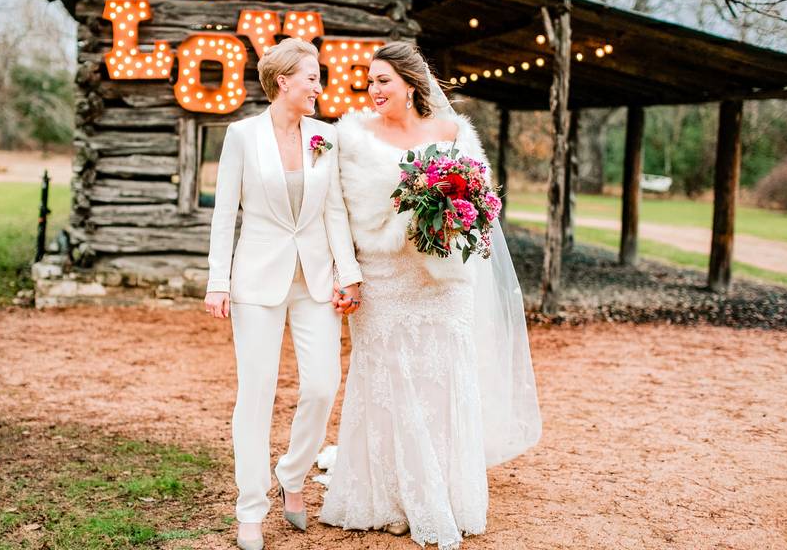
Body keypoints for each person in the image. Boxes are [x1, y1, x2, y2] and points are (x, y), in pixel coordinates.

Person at [319, 42, 542, 550]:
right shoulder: (350, 139)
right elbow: (344, 214)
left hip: (443, 282)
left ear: (412, 85)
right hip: (385, 279)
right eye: (369, 81)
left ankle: (444, 490)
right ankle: (387, 498)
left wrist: (448, 219)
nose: (372, 90)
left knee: (444, 379)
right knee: (387, 378)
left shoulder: (453, 134)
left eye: (383, 81)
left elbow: (481, 203)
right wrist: (350, 269)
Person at [203, 37, 363, 550]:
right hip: (255, 282)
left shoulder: (325, 137)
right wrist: (219, 280)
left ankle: (292, 473)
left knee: (321, 386)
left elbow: (334, 208)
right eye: (311, 77)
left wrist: (349, 271)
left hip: (315, 281)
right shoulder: (242, 136)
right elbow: (225, 213)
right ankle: (250, 508)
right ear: (283, 81)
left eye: (319, 77)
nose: (319, 86)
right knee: (256, 394)